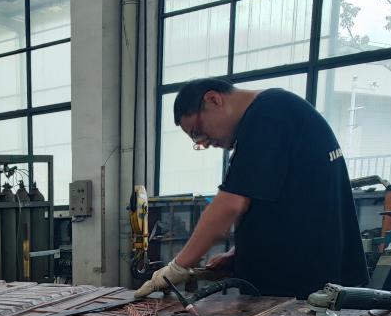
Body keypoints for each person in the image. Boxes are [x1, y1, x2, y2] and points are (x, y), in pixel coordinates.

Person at [134, 79, 368, 299]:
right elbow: (291, 203)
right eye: (196, 140)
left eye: (197, 131)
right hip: (306, 277)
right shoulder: (277, 115)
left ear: (214, 99)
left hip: (304, 287)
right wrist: (240, 252)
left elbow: (230, 205)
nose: (202, 142)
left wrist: (178, 266)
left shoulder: (268, 116)